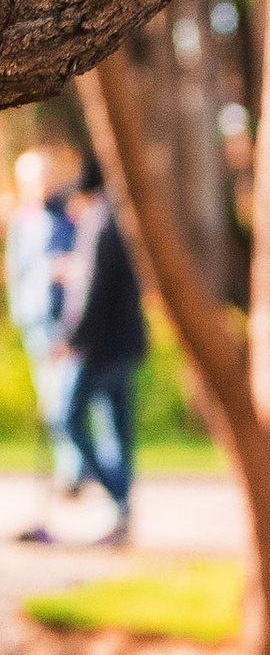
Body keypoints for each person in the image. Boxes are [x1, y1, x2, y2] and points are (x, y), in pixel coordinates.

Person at [53, 155, 148, 548]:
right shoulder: (122, 219)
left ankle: (116, 495)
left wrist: (69, 338)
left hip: (100, 347)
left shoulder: (100, 223)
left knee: (69, 418)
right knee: (116, 431)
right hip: (125, 344)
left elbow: (89, 292)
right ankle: (122, 512)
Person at [7, 136, 79, 542]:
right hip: (38, 318)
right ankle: (69, 471)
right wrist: (23, 313)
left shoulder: (70, 219)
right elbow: (17, 271)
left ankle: (73, 470)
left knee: (64, 397)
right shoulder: (23, 222)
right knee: (51, 398)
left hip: (66, 323)